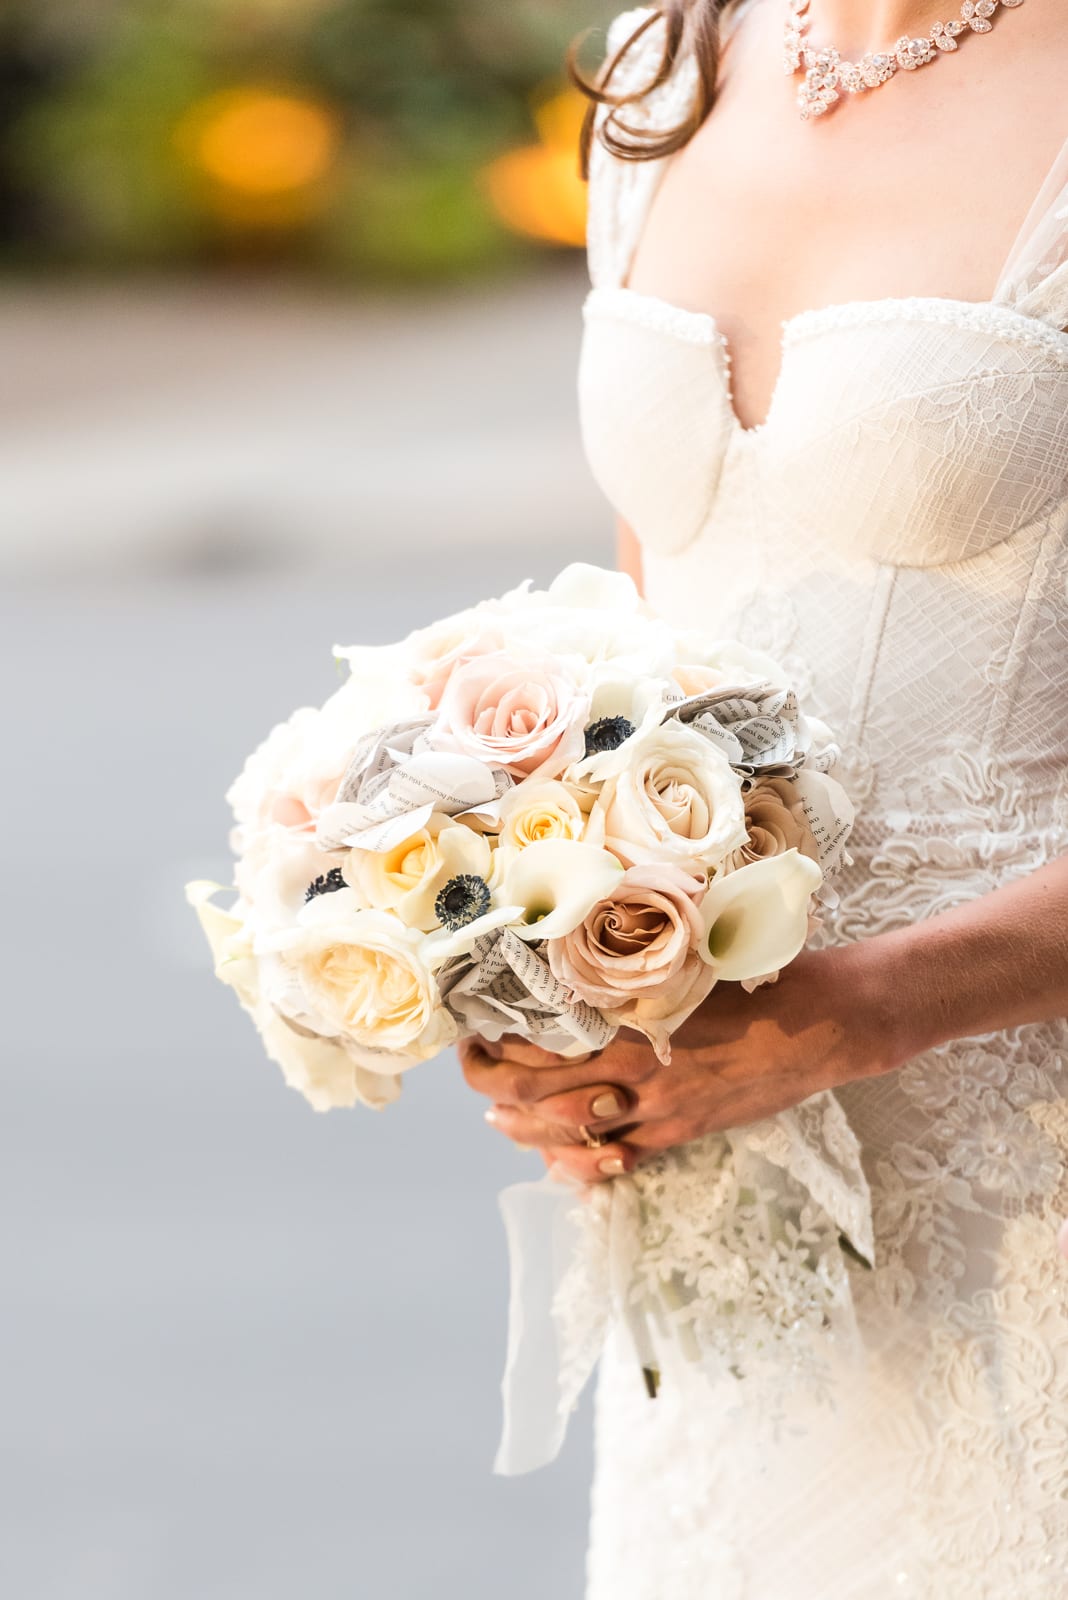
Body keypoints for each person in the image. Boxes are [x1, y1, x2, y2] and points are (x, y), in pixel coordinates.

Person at [459, 1, 1068, 1594]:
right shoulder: (662, 70)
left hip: (1034, 1163)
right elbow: (650, 649)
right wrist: (566, 965)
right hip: (739, 1196)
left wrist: (872, 1005)